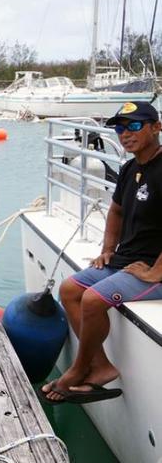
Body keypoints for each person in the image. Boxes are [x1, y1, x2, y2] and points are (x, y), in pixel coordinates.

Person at [41, 101, 162, 404]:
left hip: (151, 268)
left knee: (93, 299)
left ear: (156, 127)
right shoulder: (130, 168)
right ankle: (101, 365)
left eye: (134, 126)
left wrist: (155, 272)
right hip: (126, 260)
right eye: (120, 128)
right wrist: (108, 249)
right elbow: (117, 211)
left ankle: (79, 371)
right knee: (70, 289)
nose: (125, 134)